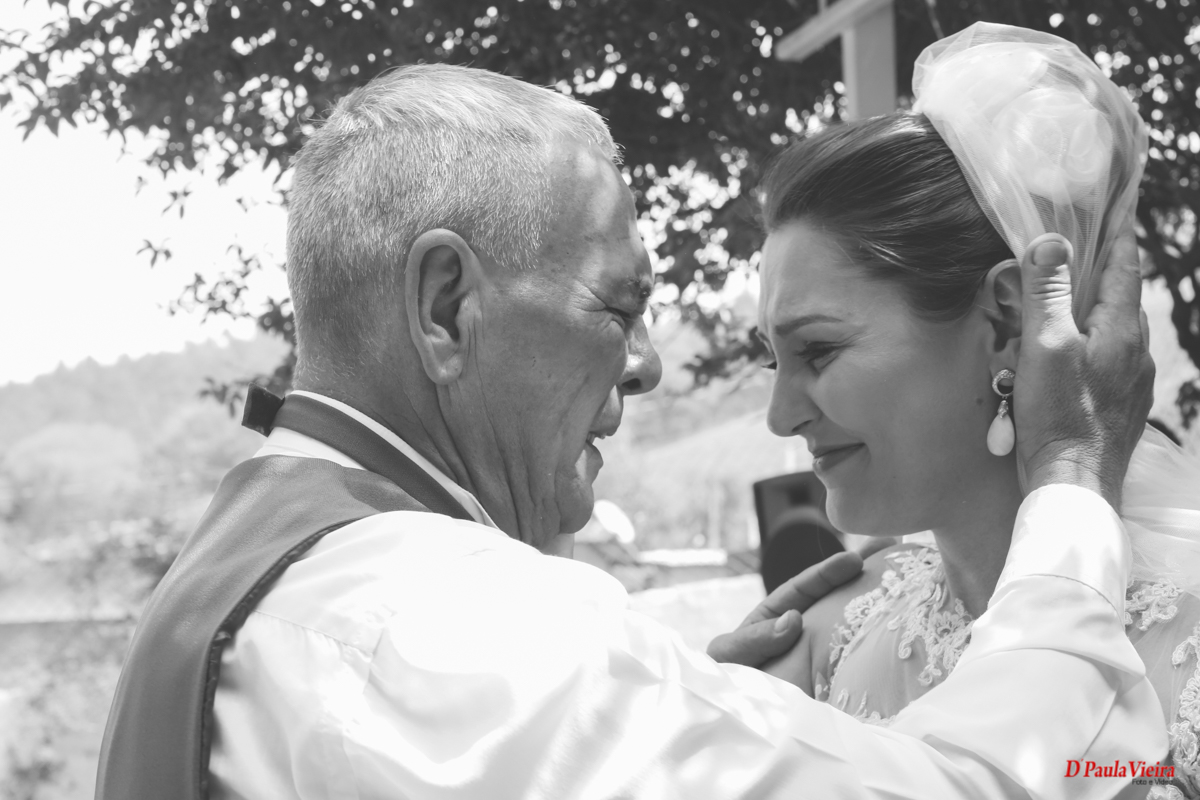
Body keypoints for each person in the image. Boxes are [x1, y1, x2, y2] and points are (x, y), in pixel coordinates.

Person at [96, 62, 1161, 799]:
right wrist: (1070, 478)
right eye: (613, 304)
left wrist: (691, 708)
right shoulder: (435, 630)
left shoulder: (253, 584)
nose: (648, 362)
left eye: (820, 349)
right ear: (443, 307)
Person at [755, 23, 1200, 799]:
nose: (780, 414)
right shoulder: (831, 646)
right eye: (772, 360)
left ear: (1003, 323)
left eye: (818, 352)